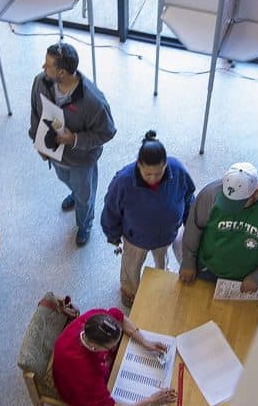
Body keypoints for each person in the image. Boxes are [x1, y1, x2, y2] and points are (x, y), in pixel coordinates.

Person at [29, 42, 116, 246]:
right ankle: (75, 194)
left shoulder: (94, 101)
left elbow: (107, 132)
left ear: (61, 73)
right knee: (64, 179)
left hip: (81, 160)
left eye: (48, 65)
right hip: (55, 154)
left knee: (85, 197)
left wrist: (74, 139)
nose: (43, 67)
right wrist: (37, 142)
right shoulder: (40, 82)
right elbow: (35, 112)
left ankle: (85, 223)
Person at [101, 131, 195, 307]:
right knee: (131, 266)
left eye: (159, 173)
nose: (153, 178)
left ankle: (162, 279)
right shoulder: (123, 181)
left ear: (166, 165)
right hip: (136, 239)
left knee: (162, 261)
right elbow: (111, 210)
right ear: (139, 165)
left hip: (166, 236)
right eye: (148, 174)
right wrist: (112, 235)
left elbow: (189, 196)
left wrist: (189, 222)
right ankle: (129, 290)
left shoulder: (178, 170)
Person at [179, 162, 258, 292]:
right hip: (206, 268)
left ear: (256, 191)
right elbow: (194, 228)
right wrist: (188, 260)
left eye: (238, 203)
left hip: (245, 278)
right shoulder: (210, 194)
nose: (231, 208)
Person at [52, 308, 176, 406]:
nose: (116, 347)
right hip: (74, 388)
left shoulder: (96, 320)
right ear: (94, 347)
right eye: (112, 346)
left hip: (95, 366)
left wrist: (145, 342)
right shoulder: (86, 372)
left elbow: (119, 317)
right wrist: (150, 401)